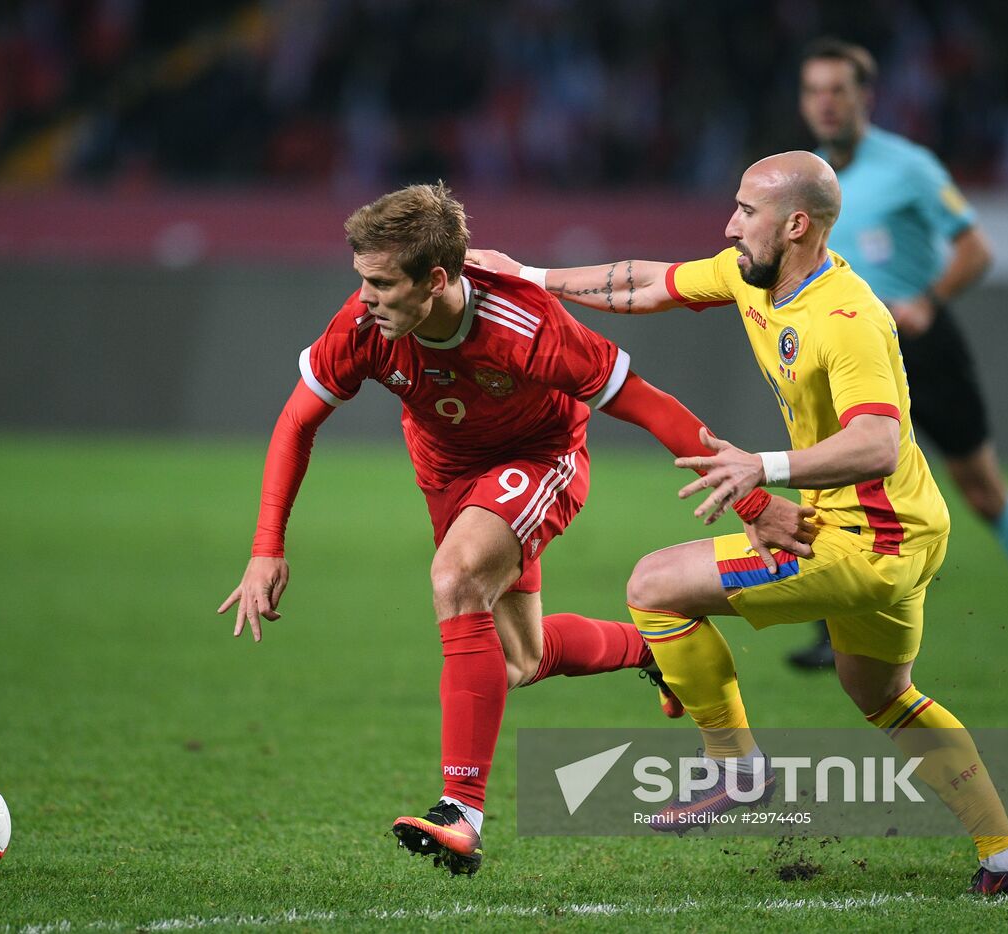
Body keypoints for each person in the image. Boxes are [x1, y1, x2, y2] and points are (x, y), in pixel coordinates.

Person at [466, 151, 1008, 895]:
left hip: (863, 540)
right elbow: (647, 283)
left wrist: (762, 468)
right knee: (885, 696)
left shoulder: (848, 318)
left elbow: (879, 442)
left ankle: (735, 772)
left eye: (746, 211)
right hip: (903, 531)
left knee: (653, 586)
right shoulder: (753, 276)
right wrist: (528, 275)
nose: (729, 224)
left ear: (796, 224)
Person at [217, 182, 812, 877]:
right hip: (448, 477)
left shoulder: (524, 325)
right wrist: (266, 549)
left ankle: (460, 813)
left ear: (436, 280)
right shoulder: (363, 327)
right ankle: (648, 649)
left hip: (540, 460)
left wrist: (752, 502)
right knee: (515, 663)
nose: (367, 298)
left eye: (382, 283)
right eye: (363, 281)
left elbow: (650, 405)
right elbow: (296, 423)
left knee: (456, 576)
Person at [788, 38, 1008, 679]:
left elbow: (975, 248)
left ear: (867, 97)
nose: (826, 103)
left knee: (981, 490)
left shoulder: (909, 166)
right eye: (814, 91)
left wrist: (927, 300)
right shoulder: (806, 176)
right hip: (846, 350)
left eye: (839, 89)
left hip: (920, 346)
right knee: (830, 487)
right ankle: (828, 626)